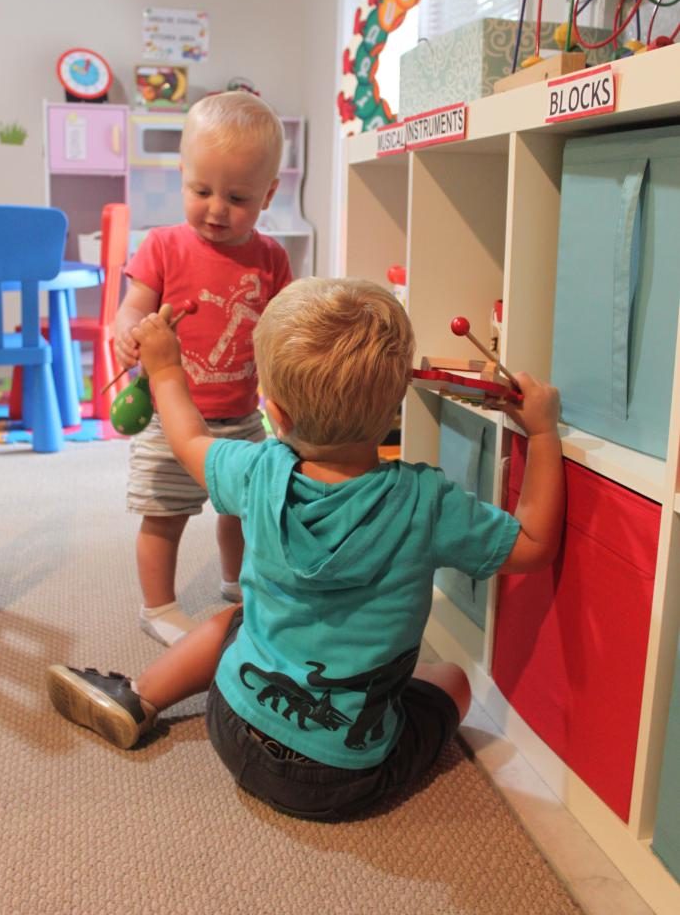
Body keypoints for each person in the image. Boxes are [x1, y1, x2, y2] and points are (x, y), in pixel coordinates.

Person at [47, 277, 564, 823]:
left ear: (278, 414)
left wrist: (167, 369)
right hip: (347, 778)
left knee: (236, 620)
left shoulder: (257, 470)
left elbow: (188, 439)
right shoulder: (427, 503)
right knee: (452, 680)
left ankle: (139, 695)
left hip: (233, 724)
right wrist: (544, 434)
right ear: (396, 403)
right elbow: (533, 545)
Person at [114, 91, 293, 646]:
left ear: (268, 194)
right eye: (201, 191)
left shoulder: (271, 259)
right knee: (164, 514)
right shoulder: (163, 246)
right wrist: (129, 333)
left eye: (237, 198)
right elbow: (133, 307)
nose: (216, 209)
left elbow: (282, 328)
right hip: (168, 418)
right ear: (182, 177)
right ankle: (158, 607)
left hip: (240, 418)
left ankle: (237, 584)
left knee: (243, 511)